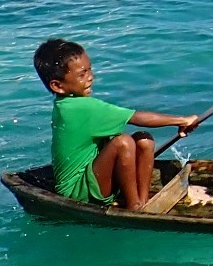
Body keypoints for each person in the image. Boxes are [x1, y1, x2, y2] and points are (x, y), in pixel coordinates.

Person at [34, 38, 198, 209]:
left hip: (94, 177)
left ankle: (141, 201)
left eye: (90, 70)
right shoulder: (78, 108)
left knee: (144, 139)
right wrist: (182, 120)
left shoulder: (67, 104)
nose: (90, 77)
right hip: (77, 191)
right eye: (82, 75)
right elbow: (137, 117)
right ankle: (134, 205)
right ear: (58, 86)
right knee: (123, 142)